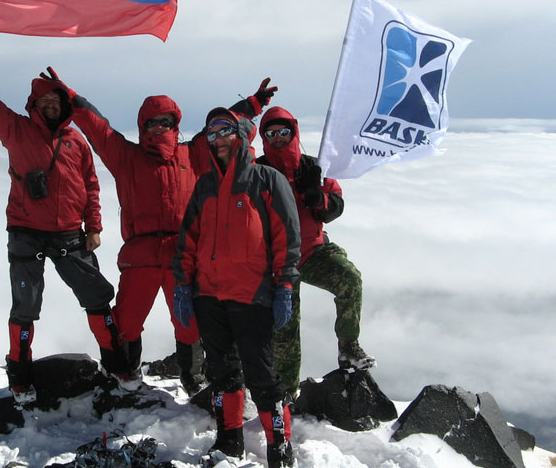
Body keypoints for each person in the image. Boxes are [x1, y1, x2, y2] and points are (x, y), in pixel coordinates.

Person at [0, 48, 132, 403]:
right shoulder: (17, 130)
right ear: (34, 105)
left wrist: (95, 226)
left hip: (71, 233)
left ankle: (117, 365)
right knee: (24, 308)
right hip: (26, 232)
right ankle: (20, 377)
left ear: (64, 105)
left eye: (55, 100)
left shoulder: (76, 142)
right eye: (44, 101)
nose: (50, 105)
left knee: (98, 298)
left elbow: (91, 185)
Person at [62, 72, 278, 394]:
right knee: (128, 322)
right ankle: (126, 377)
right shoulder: (127, 158)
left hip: (183, 254)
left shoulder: (192, 154)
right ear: (143, 126)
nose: (159, 127)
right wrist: (71, 97)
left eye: (166, 121)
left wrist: (253, 104)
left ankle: (193, 378)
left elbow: (223, 128)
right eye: (153, 122)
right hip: (141, 257)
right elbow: (99, 129)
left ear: (175, 125)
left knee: (188, 323)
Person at [172, 108, 301, 468]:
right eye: (211, 133)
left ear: (241, 136)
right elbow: (188, 240)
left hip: (251, 295)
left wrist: (285, 286)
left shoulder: (266, 180)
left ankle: (280, 444)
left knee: (261, 375)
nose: (218, 139)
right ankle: (229, 440)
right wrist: (183, 285)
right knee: (223, 372)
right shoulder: (205, 186)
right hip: (209, 295)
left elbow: (286, 238)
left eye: (225, 130)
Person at [256, 106, 375, 397]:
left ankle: (348, 346)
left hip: (312, 252)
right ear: (264, 138)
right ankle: (286, 393)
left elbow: (335, 206)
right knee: (285, 327)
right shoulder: (257, 172)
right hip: (277, 261)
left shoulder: (313, 167)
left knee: (349, 279)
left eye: (283, 132)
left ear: (293, 132)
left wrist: (317, 198)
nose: (278, 138)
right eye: (271, 133)